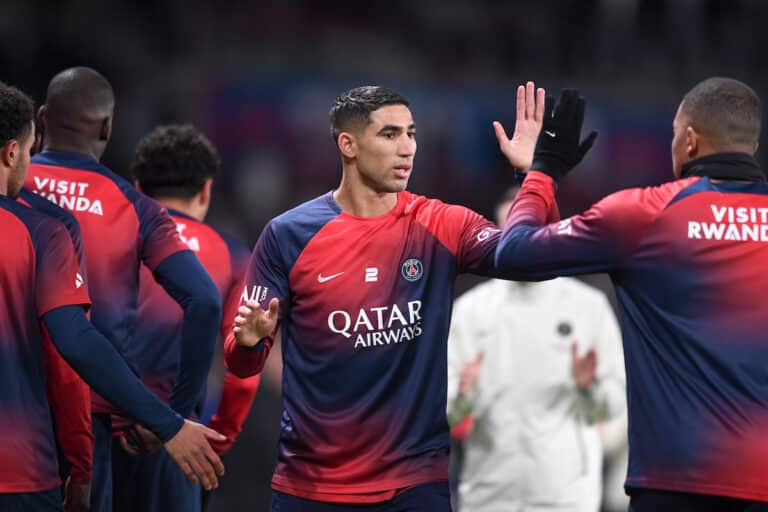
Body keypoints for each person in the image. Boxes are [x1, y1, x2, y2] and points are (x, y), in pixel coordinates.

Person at [225, 82, 545, 511]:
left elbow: (528, 260)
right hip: (311, 488)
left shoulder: (439, 224)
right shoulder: (287, 235)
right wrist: (248, 342)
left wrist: (532, 175)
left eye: (411, 134)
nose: (407, 148)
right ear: (348, 145)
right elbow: (242, 363)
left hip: (415, 486)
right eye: (390, 135)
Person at [494, 80, 768, 511]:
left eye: (674, 133)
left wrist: (541, 173)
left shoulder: (645, 214)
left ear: (690, 141)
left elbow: (514, 254)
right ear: (751, 144)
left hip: (676, 485)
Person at [0, 81, 225, 511]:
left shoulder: (24, 194)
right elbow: (204, 300)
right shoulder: (117, 210)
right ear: (106, 128)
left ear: (43, 120)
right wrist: (173, 416)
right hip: (79, 425)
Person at [446, 186, 626, 512]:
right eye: (508, 233)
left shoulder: (588, 308)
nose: (517, 246)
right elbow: (445, 412)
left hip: (566, 495)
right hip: (488, 493)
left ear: (549, 232)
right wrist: (462, 395)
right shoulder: (470, 311)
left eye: (526, 232)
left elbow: (614, 406)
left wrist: (589, 388)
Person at [112, 124, 260, 512]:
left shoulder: (102, 239)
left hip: (98, 434)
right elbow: (242, 372)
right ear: (206, 190)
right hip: (180, 444)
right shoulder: (232, 256)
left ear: (137, 189)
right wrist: (215, 444)